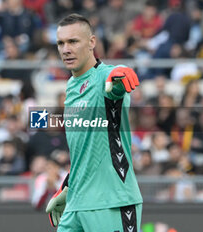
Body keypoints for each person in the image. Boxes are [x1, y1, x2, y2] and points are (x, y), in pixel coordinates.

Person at [46, 14, 142, 232]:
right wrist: (69, 187)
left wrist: (120, 74)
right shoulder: (71, 86)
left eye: (73, 41)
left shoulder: (105, 77)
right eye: (61, 43)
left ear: (91, 43)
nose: (65, 49)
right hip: (77, 204)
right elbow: (87, 149)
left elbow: (117, 84)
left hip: (112, 202)